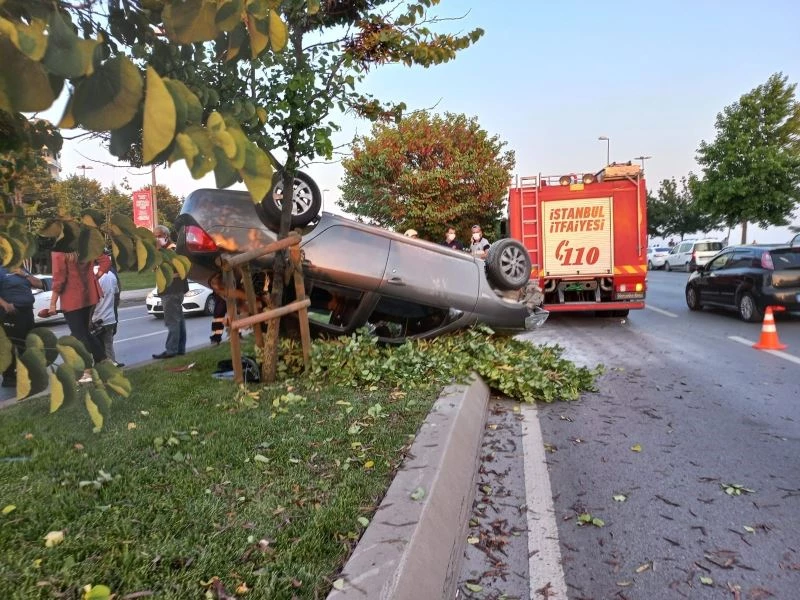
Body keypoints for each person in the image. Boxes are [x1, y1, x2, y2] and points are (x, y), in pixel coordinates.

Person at [46, 250, 105, 382]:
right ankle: (104, 363)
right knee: (85, 333)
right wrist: (96, 277)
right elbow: (105, 261)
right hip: (89, 296)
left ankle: (87, 371)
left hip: (71, 299)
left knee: (79, 336)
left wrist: (53, 303)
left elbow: (59, 278)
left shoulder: (59, 251)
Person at [0, 266, 42, 387]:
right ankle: (8, 377)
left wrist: (25, 275)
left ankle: (27, 373)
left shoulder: (22, 269)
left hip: (27, 312)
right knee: (10, 345)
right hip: (9, 313)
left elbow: (39, 284)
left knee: (27, 343)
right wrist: (5, 305)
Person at [152, 225, 188, 359]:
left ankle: (171, 350)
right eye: (154, 236)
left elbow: (178, 271)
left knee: (172, 320)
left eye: (158, 236)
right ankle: (179, 349)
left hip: (172, 290)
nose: (156, 239)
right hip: (174, 290)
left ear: (166, 236)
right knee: (179, 320)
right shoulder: (165, 251)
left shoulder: (171, 250)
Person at [94, 267, 122, 367]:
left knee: (96, 346)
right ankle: (112, 363)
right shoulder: (111, 275)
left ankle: (100, 367)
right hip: (110, 317)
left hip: (96, 318)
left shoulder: (91, 274)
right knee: (108, 343)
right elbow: (116, 295)